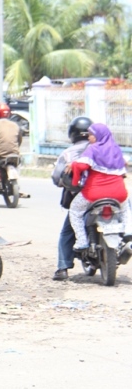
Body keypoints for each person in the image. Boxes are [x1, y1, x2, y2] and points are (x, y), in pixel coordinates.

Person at [67, 123, 131, 250]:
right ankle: (129, 231)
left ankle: (81, 241)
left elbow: (82, 166)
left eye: (91, 135)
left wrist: (73, 165)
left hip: (94, 193)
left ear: (99, 136)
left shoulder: (93, 149)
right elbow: (125, 165)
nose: (89, 138)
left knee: (75, 211)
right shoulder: (116, 149)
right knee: (125, 210)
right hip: (119, 193)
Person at [51, 116, 92, 281]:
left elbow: (56, 178)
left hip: (83, 197)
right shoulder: (102, 148)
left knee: (67, 231)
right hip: (110, 193)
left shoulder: (68, 153)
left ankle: (63, 267)